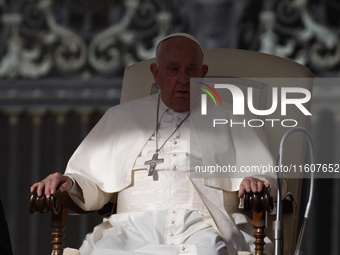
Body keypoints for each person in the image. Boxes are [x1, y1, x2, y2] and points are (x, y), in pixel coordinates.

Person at [31, 33, 280, 255]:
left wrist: (255, 179)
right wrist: (70, 183)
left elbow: (263, 174)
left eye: (191, 70)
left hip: (204, 225)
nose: (183, 79)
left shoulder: (232, 118)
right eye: (173, 70)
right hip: (131, 228)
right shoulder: (121, 118)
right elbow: (92, 182)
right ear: (156, 73)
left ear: (203, 74)